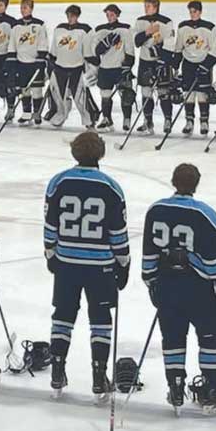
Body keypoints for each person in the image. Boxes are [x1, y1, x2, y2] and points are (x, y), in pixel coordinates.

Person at [142, 163, 216, 415]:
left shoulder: (156, 210)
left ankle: (175, 386)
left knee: (172, 337)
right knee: (210, 336)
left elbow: (149, 253)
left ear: (173, 181)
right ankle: (213, 389)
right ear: (196, 184)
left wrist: (152, 282)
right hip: (198, 288)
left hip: (167, 286)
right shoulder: (205, 214)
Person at [43, 132, 129, 400]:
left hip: (67, 262)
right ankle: (98, 375)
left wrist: (50, 253)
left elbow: (50, 224)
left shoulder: (58, 182)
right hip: (100, 266)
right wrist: (123, 262)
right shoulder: (111, 187)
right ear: (100, 154)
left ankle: (57, 370)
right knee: (101, 319)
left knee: (63, 314)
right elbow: (118, 231)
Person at [132, 0, 177, 135]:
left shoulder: (166, 22)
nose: (146, 9)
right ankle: (148, 121)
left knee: (163, 92)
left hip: (161, 61)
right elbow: (137, 42)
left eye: (149, 6)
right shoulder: (140, 21)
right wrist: (147, 32)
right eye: (145, 6)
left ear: (156, 6)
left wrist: (163, 60)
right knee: (145, 92)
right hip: (145, 61)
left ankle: (167, 120)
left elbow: (170, 42)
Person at [175, 1, 216, 136]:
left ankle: (204, 121)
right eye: (191, 11)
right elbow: (178, 48)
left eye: (195, 11)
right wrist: (175, 66)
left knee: (202, 94)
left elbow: (215, 51)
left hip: (203, 64)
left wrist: (205, 66)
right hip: (188, 64)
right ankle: (189, 121)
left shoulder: (209, 27)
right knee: (188, 93)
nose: (192, 14)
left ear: (200, 12)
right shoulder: (183, 27)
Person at [87, 4, 134, 132]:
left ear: (118, 15)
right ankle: (107, 118)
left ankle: (127, 119)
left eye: (112, 14)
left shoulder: (125, 29)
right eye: (107, 15)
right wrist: (106, 42)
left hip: (120, 68)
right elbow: (96, 51)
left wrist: (128, 66)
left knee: (126, 95)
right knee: (105, 95)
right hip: (105, 68)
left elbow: (130, 49)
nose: (109, 17)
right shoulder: (100, 30)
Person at [5, 0, 48, 125]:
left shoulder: (39, 24)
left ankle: (37, 113)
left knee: (37, 90)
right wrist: (11, 61)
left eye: (25, 7)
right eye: (21, 8)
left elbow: (43, 41)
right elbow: (12, 43)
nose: (23, 10)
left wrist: (41, 58)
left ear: (31, 8)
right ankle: (26, 113)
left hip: (34, 63)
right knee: (24, 89)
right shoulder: (16, 25)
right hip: (21, 63)